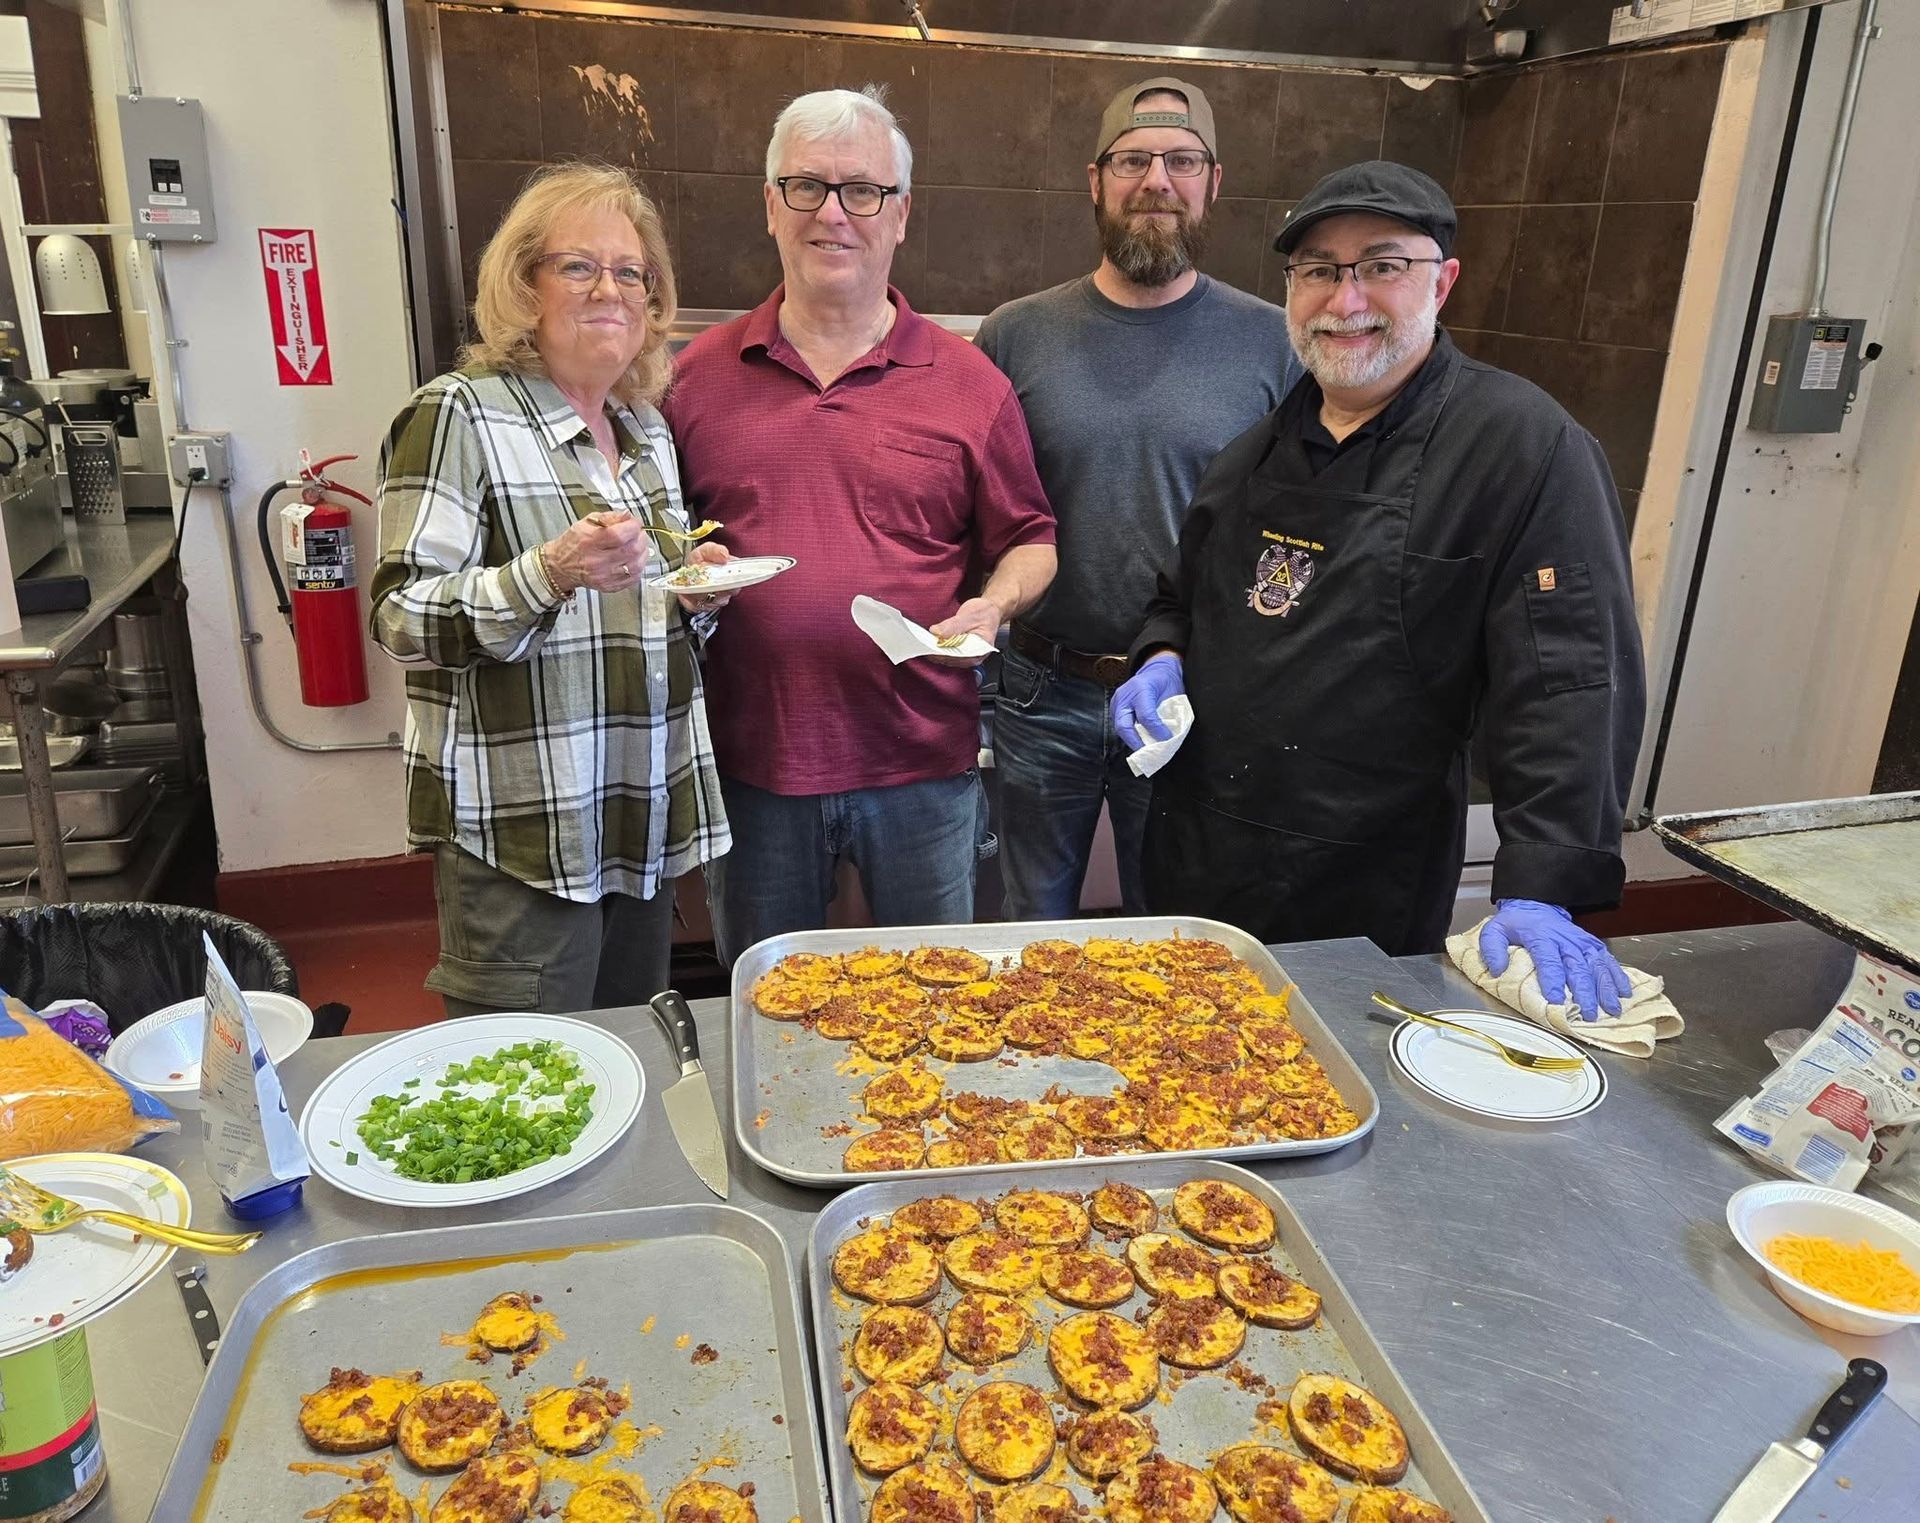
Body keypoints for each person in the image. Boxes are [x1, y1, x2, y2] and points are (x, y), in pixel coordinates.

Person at [1111, 160, 1645, 1016]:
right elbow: (1179, 595)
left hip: (1365, 880)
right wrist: (1161, 655)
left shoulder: (1521, 446)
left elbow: (1569, 678)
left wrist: (1544, 877)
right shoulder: (1253, 453)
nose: (1346, 298)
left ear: (1444, 282)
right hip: (1200, 851)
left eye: (1383, 266)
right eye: (1320, 270)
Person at [666, 86, 1056, 964]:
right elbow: (667, 543)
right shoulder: (696, 377)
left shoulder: (969, 381)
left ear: (902, 213)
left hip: (922, 764)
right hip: (755, 765)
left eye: (862, 190)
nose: (833, 213)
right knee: (766, 1008)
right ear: (771, 205)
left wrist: (993, 607)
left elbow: (1031, 536)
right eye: (806, 186)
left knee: (938, 1002)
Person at [372, 162, 729, 1018]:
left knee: (629, 1060)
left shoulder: (643, 430)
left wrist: (697, 601)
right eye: (579, 266)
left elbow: (647, 620)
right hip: (525, 834)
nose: (610, 288)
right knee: (526, 1083)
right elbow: (400, 618)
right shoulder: (458, 412)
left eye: (631, 272)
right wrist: (549, 572)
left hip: (637, 820)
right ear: (524, 284)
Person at [976, 76, 1301, 919]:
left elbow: (1298, 529)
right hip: (1040, 690)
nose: (1156, 180)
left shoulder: (1276, 342)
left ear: (1212, 182)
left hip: (1190, 697)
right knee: (1027, 935)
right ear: (1096, 180)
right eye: (1132, 160)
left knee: (1174, 930)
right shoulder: (1016, 334)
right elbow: (977, 511)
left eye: (1182, 160)